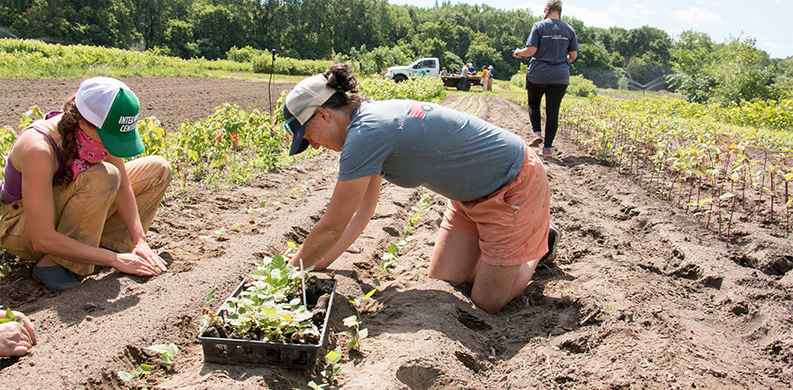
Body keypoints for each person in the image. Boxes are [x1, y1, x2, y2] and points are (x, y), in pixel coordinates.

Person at [281, 64, 562, 314]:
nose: (314, 146)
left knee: (488, 301)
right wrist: (314, 264)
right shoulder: (367, 121)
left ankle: (540, 244)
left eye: (308, 136)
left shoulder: (366, 134)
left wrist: (288, 274)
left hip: (513, 184)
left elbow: (332, 227)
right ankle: (504, 247)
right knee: (446, 282)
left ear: (322, 114)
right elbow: (361, 213)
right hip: (468, 196)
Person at [0, 77, 172, 290]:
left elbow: (124, 188)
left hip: (64, 212)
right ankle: (54, 263)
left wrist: (139, 239)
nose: (111, 147)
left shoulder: (90, 135)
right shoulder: (38, 149)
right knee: (104, 176)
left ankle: (104, 247)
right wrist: (113, 261)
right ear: (83, 123)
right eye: (109, 138)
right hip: (23, 228)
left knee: (157, 169)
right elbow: (41, 238)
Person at [514, 0, 578, 156]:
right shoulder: (569, 29)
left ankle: (536, 133)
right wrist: (559, 59)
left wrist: (518, 53)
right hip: (560, 76)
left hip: (538, 74)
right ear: (560, 10)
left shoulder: (539, 26)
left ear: (546, 10)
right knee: (552, 111)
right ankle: (547, 148)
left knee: (534, 103)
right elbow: (573, 55)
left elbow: (531, 50)